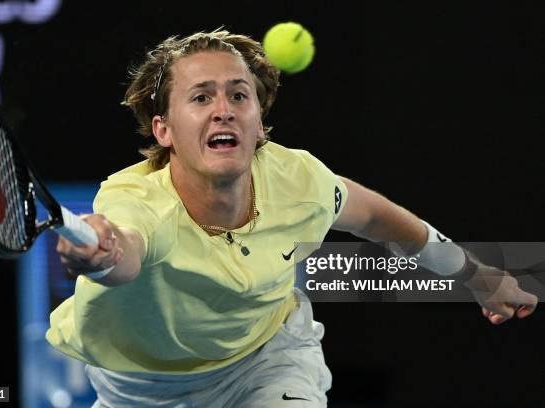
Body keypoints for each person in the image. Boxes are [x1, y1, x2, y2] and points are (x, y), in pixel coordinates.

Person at [46, 29, 538, 407]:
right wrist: (100, 254)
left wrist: (478, 275)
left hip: (265, 360)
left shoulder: (297, 179)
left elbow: (380, 219)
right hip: (143, 387)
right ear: (164, 129)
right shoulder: (133, 199)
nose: (224, 110)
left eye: (239, 95)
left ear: (259, 122)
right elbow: (125, 251)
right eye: (201, 97)